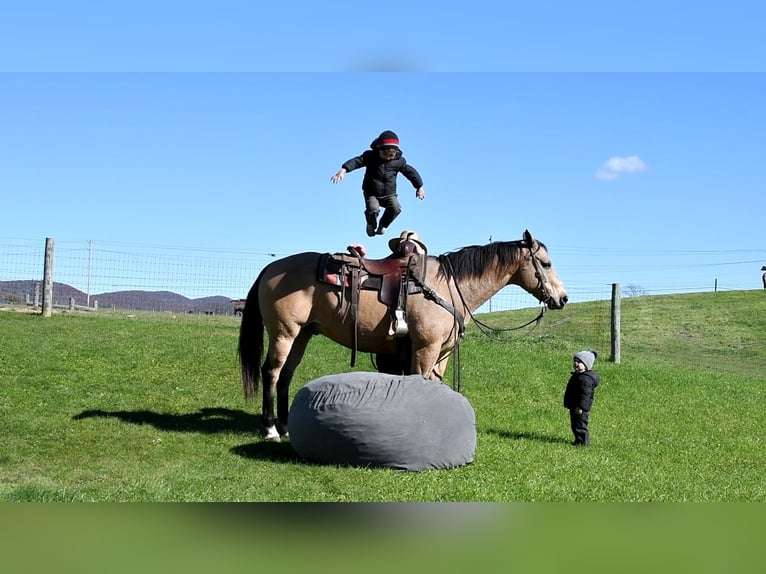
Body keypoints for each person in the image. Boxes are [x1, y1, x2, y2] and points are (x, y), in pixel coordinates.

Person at [331, 130, 425, 237]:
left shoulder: (399, 162)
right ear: (378, 149)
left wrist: (419, 187)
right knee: (373, 209)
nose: (388, 157)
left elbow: (411, 173)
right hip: (372, 193)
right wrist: (344, 170)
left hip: (389, 194)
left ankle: (383, 225)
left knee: (396, 207)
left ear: (396, 152)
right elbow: (356, 161)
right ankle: (371, 224)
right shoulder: (370, 157)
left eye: (391, 155)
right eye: (385, 154)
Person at [563, 350, 600, 446]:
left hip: (580, 407)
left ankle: (583, 442)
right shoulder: (579, 376)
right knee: (575, 424)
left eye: (579, 362)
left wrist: (581, 407)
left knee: (580, 425)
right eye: (575, 361)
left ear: (587, 365)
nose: (576, 363)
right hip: (575, 405)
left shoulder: (585, 379)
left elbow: (585, 395)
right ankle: (578, 440)